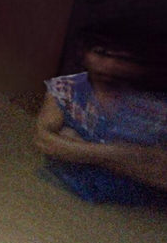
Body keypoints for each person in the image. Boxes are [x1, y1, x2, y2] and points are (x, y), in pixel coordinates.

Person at [34, 15, 167, 205]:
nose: (109, 65)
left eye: (121, 58)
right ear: (85, 52)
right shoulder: (66, 89)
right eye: (101, 53)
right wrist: (124, 154)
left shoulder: (153, 105)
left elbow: (162, 176)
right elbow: (44, 141)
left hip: (137, 208)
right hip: (66, 193)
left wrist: (75, 147)